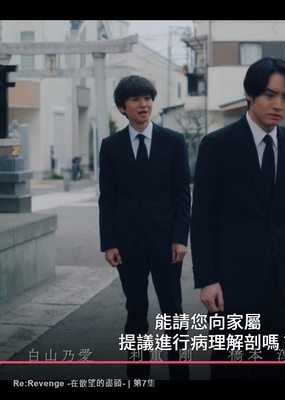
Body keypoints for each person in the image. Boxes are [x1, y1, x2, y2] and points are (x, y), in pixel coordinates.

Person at [191, 57, 285, 380]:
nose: (279, 105)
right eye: (270, 95)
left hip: (281, 286)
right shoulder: (217, 146)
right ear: (250, 94)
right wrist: (207, 279)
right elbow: (202, 218)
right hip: (230, 286)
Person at [98, 75, 191, 380]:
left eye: (148, 98)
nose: (144, 104)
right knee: (136, 310)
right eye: (136, 99)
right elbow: (107, 198)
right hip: (128, 244)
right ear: (122, 107)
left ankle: (180, 375)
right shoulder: (110, 146)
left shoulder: (173, 142)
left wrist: (180, 238)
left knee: (173, 312)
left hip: (167, 243)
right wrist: (109, 243)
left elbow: (182, 194)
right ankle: (137, 376)